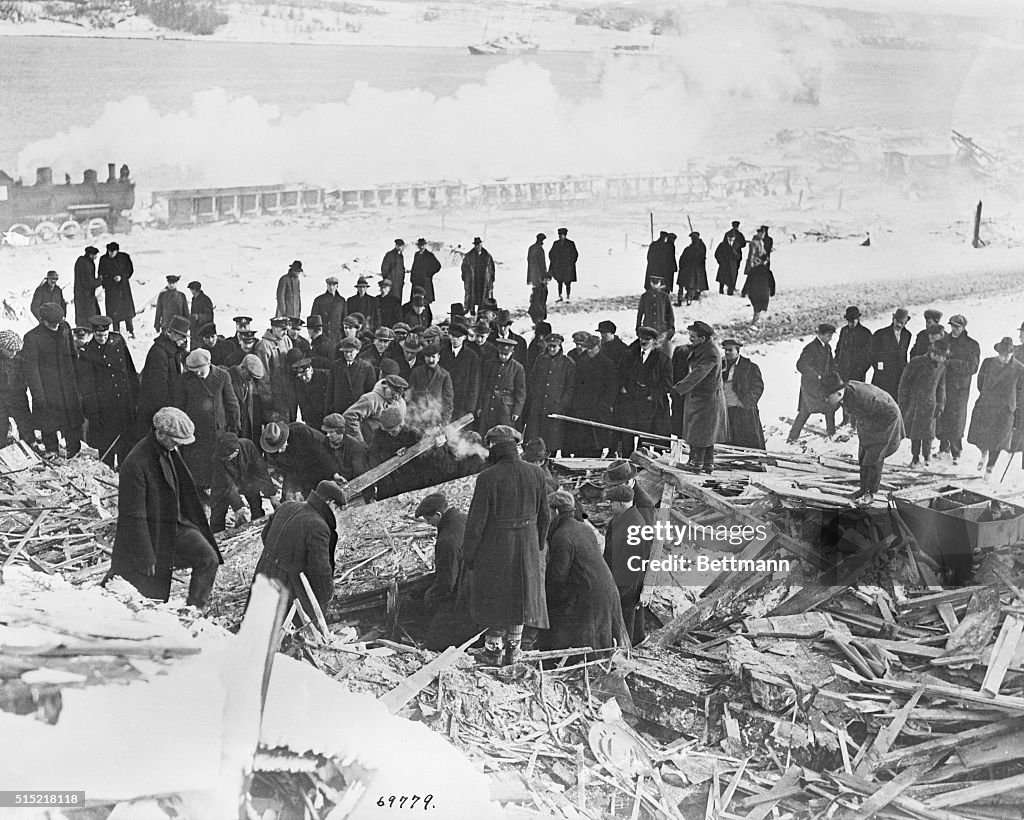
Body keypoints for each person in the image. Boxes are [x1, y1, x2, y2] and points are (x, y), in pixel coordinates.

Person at [107, 407, 221, 607]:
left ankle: (194, 611)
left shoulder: (168, 449)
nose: (178, 446)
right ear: (159, 433)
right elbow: (133, 516)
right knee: (136, 592)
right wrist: (145, 555)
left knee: (208, 558)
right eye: (176, 441)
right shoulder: (136, 463)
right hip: (151, 535)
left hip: (175, 524)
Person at [462, 424, 549, 666]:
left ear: (495, 448)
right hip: (528, 546)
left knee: (496, 600)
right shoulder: (537, 473)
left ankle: (493, 651)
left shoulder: (488, 478)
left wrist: (469, 555)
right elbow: (545, 517)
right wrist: (537, 544)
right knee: (519, 600)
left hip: (498, 547)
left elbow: (476, 523)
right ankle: (514, 650)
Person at [540, 489, 627, 653]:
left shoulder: (562, 535)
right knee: (602, 645)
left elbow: (557, 577)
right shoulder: (583, 528)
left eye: (548, 511)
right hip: (606, 590)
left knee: (586, 647)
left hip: (590, 596)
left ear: (556, 511)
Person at [253, 479, 348, 617]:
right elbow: (320, 570)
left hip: (263, 574)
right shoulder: (319, 526)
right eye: (337, 508)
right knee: (295, 630)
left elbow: (265, 536)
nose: (337, 513)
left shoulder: (286, 506)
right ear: (330, 503)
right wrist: (327, 597)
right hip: (287, 587)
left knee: (258, 622)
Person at [819, 373, 904, 505]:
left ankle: (870, 493)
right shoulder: (846, 393)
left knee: (874, 456)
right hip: (870, 419)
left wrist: (866, 430)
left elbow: (875, 412)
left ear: (838, 394)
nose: (825, 400)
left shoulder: (858, 397)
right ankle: (863, 489)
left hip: (886, 418)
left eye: (827, 397)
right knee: (863, 455)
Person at [21, 302, 84, 457]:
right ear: (43, 321)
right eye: (53, 324)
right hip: (47, 388)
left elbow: (72, 354)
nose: (56, 326)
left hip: (68, 385)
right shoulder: (32, 338)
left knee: (73, 420)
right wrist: (38, 395)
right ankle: (52, 451)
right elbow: (31, 369)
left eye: (59, 323)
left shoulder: (65, 328)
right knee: (48, 423)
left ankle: (73, 450)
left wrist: (78, 379)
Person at [76, 315, 139, 467]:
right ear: (93, 333)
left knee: (126, 440)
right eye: (98, 335)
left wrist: (136, 395)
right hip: (104, 407)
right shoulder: (87, 352)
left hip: (123, 402)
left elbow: (130, 369)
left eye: (105, 335)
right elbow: (87, 386)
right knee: (106, 444)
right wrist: (93, 412)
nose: (102, 338)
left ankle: (125, 469)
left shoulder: (118, 341)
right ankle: (107, 470)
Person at [176, 348, 240, 494]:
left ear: (208, 364)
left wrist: (234, 427)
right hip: (195, 430)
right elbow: (180, 405)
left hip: (217, 430)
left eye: (200, 369)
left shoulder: (222, 376)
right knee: (196, 469)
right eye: (194, 370)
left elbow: (231, 403)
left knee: (216, 468)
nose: (197, 373)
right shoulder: (185, 380)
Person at [672, 321, 727, 473]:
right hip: (702, 398)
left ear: (703, 338)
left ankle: (695, 463)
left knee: (699, 431)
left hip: (706, 399)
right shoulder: (704, 349)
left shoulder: (710, 353)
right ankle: (707, 463)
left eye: (693, 337)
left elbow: (698, 373)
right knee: (706, 432)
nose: (690, 339)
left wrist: (678, 389)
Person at [967, 337, 1024, 479]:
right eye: (1002, 355)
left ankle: (990, 467)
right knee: (983, 436)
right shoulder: (988, 363)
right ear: (998, 352)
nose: (1004, 358)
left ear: (1012, 354)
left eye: (1008, 355)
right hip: (987, 405)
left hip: (1006, 410)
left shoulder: (1019, 369)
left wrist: (1016, 408)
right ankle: (983, 453)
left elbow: (1021, 390)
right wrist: (987, 395)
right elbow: (980, 383)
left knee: (999, 440)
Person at [603, 484, 651, 646]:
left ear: (621, 503)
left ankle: (625, 649)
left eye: (612, 502)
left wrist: (620, 590)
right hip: (616, 577)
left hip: (627, 583)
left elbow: (632, 565)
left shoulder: (635, 526)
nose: (610, 505)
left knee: (626, 616)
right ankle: (634, 642)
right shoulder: (620, 519)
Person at [615, 326, 672, 456]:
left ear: (654, 341)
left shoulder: (663, 360)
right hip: (630, 401)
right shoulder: (630, 355)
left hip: (649, 405)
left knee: (645, 437)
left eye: (648, 339)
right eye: (641, 338)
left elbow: (667, 383)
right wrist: (623, 388)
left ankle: (642, 462)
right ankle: (626, 463)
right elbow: (620, 373)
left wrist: (652, 395)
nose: (643, 341)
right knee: (627, 435)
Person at [209, 431, 278, 533]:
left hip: (247, 479)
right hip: (223, 484)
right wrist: (238, 508)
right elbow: (228, 484)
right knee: (218, 511)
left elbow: (261, 472)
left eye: (228, 457)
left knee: (256, 505)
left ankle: (258, 531)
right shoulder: (218, 458)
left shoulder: (248, 446)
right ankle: (216, 538)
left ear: (236, 452)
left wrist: (272, 496)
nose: (225, 460)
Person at [936, 314, 981, 465]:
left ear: (963, 327)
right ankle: (943, 448)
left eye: (957, 327)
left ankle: (956, 451)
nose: (954, 329)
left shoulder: (971, 345)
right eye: (952, 326)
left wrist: (952, 363)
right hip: (943, 384)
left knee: (956, 419)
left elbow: (973, 367)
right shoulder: (944, 341)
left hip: (959, 389)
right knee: (942, 415)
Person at [565, 334, 617, 457]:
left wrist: (604, 405)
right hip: (582, 409)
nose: (589, 351)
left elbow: (611, 388)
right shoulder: (581, 362)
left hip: (598, 410)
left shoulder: (607, 364)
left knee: (595, 443)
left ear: (598, 347)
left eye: (591, 348)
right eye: (587, 348)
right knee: (580, 443)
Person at [898, 338, 947, 467]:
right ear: (934, 354)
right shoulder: (916, 362)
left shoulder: (941, 366)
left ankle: (927, 458)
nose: (943, 359)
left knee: (928, 434)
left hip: (931, 405)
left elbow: (941, 387)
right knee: (915, 433)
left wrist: (940, 405)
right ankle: (915, 458)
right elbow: (904, 384)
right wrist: (903, 403)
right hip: (915, 404)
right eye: (942, 356)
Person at [526, 332, 575, 457]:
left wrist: (562, 403)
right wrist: (535, 396)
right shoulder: (541, 360)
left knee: (552, 440)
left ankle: (550, 463)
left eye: (554, 346)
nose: (552, 349)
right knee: (536, 437)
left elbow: (570, 387)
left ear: (560, 346)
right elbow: (532, 379)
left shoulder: (567, 363)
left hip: (555, 408)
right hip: (539, 406)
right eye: (550, 346)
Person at [137, 315, 189, 434]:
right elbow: (158, 389)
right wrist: (168, 413)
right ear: (172, 334)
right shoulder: (159, 353)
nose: (184, 340)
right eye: (182, 336)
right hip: (155, 411)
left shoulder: (171, 349)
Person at [261, 420, 339, 499]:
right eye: (276, 448)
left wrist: (334, 473)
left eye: (280, 446)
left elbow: (322, 452)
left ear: (284, 437)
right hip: (301, 472)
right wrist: (292, 491)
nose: (280, 451)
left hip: (319, 463)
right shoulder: (272, 450)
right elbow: (288, 471)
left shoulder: (301, 431)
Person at [788, 323, 838, 442]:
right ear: (820, 334)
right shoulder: (811, 348)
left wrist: (834, 373)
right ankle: (792, 437)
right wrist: (816, 375)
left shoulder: (827, 347)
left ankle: (831, 433)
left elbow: (830, 364)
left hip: (823, 386)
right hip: (810, 387)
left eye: (831, 336)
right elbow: (801, 364)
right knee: (805, 412)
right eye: (828, 335)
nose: (830, 338)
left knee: (830, 406)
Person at [477, 337, 527, 437]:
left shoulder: (517, 368)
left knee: (504, 433)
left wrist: (517, 411)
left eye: (506, 354)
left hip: (505, 408)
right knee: (486, 432)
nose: (503, 357)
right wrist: (479, 406)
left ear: (512, 353)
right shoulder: (489, 364)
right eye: (501, 353)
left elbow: (521, 392)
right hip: (489, 404)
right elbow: (482, 387)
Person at [342, 374, 409, 447]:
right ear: (385, 386)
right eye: (393, 394)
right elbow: (349, 417)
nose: (396, 398)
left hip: (389, 446)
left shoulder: (400, 402)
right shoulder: (370, 399)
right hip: (371, 445)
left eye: (399, 395)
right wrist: (360, 443)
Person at [721, 339, 765, 450]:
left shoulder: (750, 367)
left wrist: (745, 403)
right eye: (725, 350)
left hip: (743, 411)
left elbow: (757, 388)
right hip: (725, 410)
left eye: (730, 350)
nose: (726, 353)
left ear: (738, 351)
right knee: (727, 441)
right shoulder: (720, 366)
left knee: (747, 440)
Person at [834, 306, 873, 426]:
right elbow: (839, 348)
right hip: (844, 370)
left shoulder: (865, 333)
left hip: (857, 372)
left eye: (853, 320)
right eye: (849, 321)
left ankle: (855, 422)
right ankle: (846, 419)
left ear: (858, 319)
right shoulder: (844, 331)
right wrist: (836, 364)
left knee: (856, 397)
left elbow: (869, 355)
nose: (851, 323)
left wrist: (861, 370)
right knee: (844, 395)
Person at [326, 337, 377, 415]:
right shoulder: (336, 366)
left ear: (357, 350)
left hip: (357, 410)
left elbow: (370, 393)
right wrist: (328, 411)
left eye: (351, 352)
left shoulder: (367, 367)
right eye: (345, 352)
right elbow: (330, 390)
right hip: (339, 411)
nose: (348, 354)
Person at [441, 323, 480, 421]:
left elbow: (474, 383)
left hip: (463, 403)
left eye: (458, 337)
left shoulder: (472, 356)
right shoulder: (442, 353)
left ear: (464, 337)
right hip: (443, 401)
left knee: (459, 434)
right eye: (452, 336)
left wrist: (471, 407)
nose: (455, 339)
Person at [0, 331, 33, 446]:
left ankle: (29, 445)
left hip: (17, 395)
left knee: (25, 423)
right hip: (1, 396)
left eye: (16, 351)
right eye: (10, 350)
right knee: (1, 424)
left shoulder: (20, 357)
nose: (13, 353)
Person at [870, 308, 912, 399]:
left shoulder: (907, 335)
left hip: (899, 377)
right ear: (893, 319)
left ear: (906, 322)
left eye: (902, 322)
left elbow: (904, 355)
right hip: (883, 377)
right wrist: (879, 367)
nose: (899, 324)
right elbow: (871, 354)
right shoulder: (880, 334)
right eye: (897, 321)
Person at [409, 344, 454, 427]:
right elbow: (409, 397)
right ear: (424, 357)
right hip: (418, 421)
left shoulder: (445, 375)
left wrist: (443, 423)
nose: (431, 360)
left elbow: (448, 402)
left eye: (433, 356)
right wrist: (414, 418)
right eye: (428, 357)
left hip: (436, 422)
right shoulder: (416, 372)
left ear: (438, 358)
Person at [98, 242, 136, 336]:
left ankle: (130, 331)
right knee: (114, 313)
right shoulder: (104, 259)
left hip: (123, 289)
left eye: (113, 252)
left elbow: (129, 270)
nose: (111, 254)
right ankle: (116, 332)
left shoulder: (124, 257)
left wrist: (122, 277)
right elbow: (101, 273)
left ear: (117, 251)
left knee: (127, 312)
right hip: (111, 289)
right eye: (109, 252)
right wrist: (110, 279)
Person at [320, 413, 369, 482]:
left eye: (331, 432)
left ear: (340, 431)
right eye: (327, 432)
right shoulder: (325, 443)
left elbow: (360, 473)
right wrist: (334, 475)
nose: (328, 435)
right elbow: (325, 463)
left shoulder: (355, 446)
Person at [227, 353, 264, 442]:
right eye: (250, 375)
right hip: (231, 429)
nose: (251, 380)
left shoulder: (247, 381)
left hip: (244, 429)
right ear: (242, 367)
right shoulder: (227, 378)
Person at [740, 232, 774, 324]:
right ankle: (756, 319)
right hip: (763, 294)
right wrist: (772, 291)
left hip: (754, 293)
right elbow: (772, 282)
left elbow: (748, 281)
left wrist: (744, 292)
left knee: (756, 306)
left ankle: (755, 319)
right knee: (759, 307)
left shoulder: (753, 271)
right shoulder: (767, 271)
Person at [291, 355, 329, 431]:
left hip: (326, 417)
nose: (304, 378)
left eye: (305, 374)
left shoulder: (325, 377)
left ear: (311, 370)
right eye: (301, 376)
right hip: (311, 419)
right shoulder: (298, 382)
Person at [635, 277, 675, 345]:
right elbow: (640, 313)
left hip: (661, 329)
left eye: (657, 283)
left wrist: (671, 328)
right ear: (650, 283)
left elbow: (670, 314)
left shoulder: (664, 296)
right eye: (653, 282)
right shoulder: (645, 296)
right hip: (648, 329)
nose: (655, 285)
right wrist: (638, 328)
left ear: (660, 283)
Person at [461, 237, 495, 316]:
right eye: (476, 245)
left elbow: (492, 270)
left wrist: (491, 281)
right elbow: (464, 268)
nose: (477, 246)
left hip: (484, 282)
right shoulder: (469, 256)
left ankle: (481, 315)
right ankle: (472, 313)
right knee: (472, 300)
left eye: (478, 244)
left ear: (481, 244)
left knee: (484, 301)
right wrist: (465, 279)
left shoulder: (487, 256)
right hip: (473, 282)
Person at [310, 276, 347, 346]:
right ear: (327, 285)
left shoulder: (341, 301)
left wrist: (343, 335)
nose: (331, 287)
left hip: (337, 337)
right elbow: (313, 320)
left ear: (337, 286)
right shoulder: (319, 300)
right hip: (323, 336)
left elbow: (344, 320)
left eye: (334, 285)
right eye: (329, 285)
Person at [677, 231, 708, 306]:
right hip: (694, 269)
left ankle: (688, 298)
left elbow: (682, 259)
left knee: (689, 284)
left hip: (691, 269)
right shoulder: (698, 248)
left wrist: (682, 267)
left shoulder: (690, 249)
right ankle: (689, 298)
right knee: (691, 284)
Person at [73, 246, 102, 326]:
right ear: (91, 255)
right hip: (86, 297)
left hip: (82, 295)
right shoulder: (86, 264)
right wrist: (99, 281)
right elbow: (88, 283)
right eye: (95, 254)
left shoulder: (82, 261)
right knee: (89, 318)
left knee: (82, 317)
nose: (96, 256)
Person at [548, 227, 578, 303]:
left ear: (565, 235)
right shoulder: (556, 243)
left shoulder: (571, 243)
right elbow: (551, 254)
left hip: (568, 266)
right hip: (559, 266)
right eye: (559, 235)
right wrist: (554, 262)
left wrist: (571, 263)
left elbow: (575, 254)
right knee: (559, 282)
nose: (560, 236)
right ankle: (560, 296)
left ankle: (568, 296)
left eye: (561, 235)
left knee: (568, 282)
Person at [410, 238, 441, 304]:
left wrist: (429, 274)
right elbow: (414, 266)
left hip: (425, 282)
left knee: (425, 301)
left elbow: (437, 266)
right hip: (416, 281)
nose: (421, 247)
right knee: (415, 300)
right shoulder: (417, 255)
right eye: (420, 245)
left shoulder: (429, 255)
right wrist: (412, 277)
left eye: (423, 245)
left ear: (425, 245)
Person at [527, 232, 548, 305]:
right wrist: (545, 275)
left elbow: (529, 260)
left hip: (532, 273)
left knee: (535, 289)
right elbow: (542, 264)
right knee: (541, 291)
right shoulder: (539, 249)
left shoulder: (531, 248)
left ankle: (533, 304)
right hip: (539, 274)